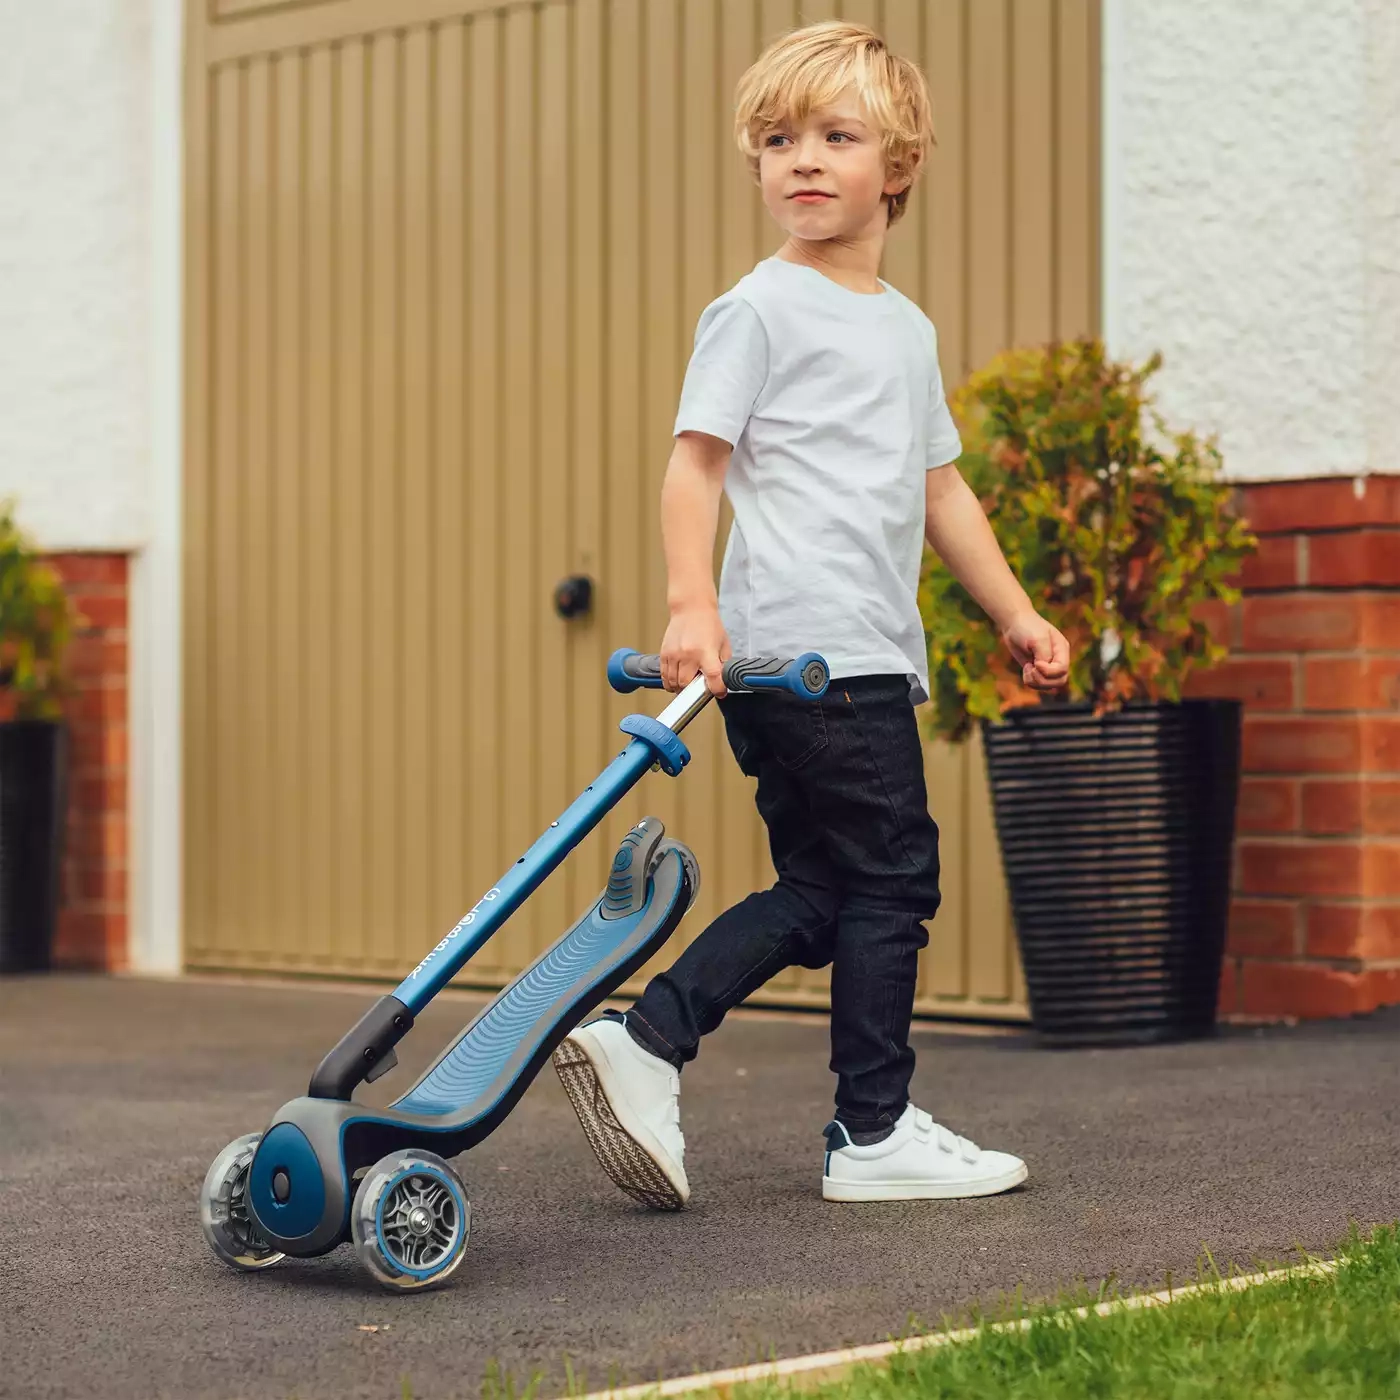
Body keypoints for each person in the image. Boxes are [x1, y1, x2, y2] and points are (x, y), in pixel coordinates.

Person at [552, 20, 1069, 1208]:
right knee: (895, 879)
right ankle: (872, 1129)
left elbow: (940, 489)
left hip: (847, 650)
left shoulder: (902, 326)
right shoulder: (758, 309)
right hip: (813, 652)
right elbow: (693, 464)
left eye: (835, 136)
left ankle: (647, 1036)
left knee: (830, 888)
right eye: (778, 140)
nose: (802, 159)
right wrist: (690, 603)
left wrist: (1015, 612)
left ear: (898, 164)